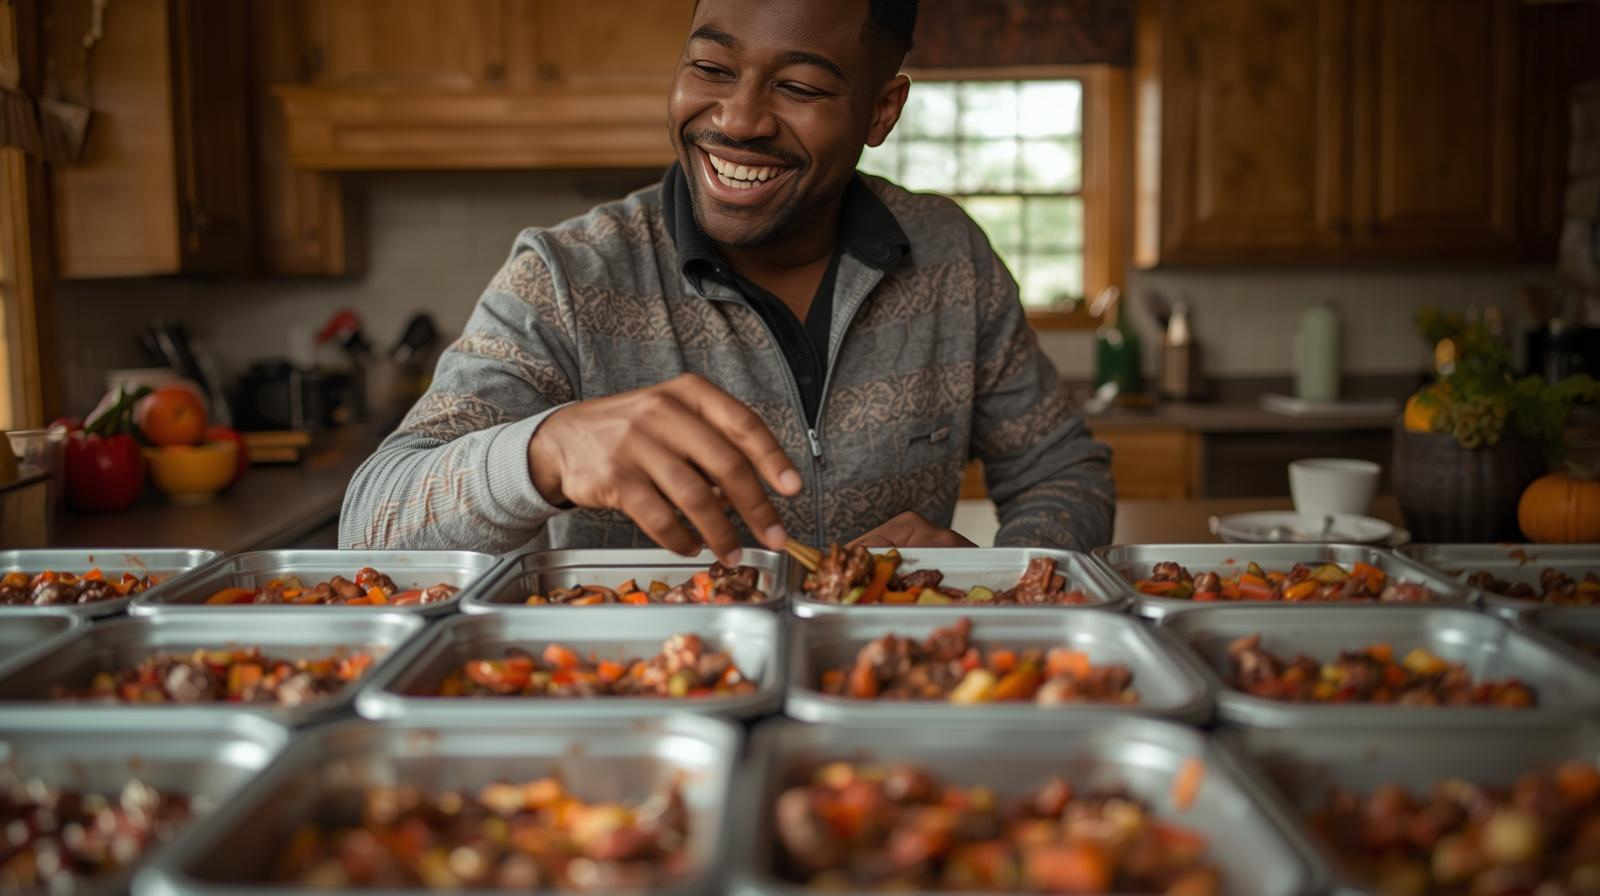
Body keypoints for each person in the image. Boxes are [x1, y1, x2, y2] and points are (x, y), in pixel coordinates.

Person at [339, 0, 1113, 561]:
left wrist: (1007, 578)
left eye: (800, 87)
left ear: (882, 110)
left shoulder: (950, 258)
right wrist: (545, 449)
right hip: (632, 712)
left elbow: (1061, 470)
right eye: (711, 68)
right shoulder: (567, 275)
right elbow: (373, 520)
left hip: (879, 715)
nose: (738, 119)